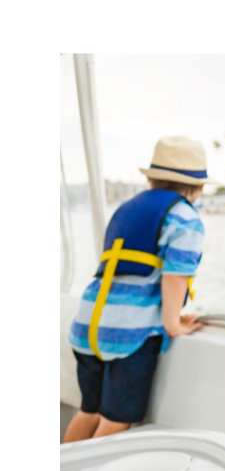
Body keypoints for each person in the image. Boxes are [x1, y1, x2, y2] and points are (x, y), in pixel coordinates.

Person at [64, 136, 216, 442]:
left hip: (87, 325)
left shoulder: (126, 208)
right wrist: (173, 325)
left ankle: (62, 470)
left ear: (151, 179)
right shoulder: (185, 217)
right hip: (128, 333)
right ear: (198, 188)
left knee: (89, 411)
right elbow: (175, 276)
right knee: (115, 420)